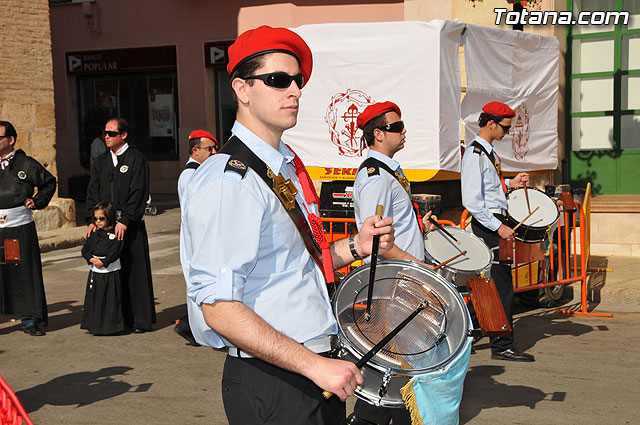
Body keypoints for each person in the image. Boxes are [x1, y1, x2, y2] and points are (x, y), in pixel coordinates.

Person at [180, 26, 395, 425]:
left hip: (309, 372)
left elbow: (295, 263)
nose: (294, 90)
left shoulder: (279, 167)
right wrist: (314, 366)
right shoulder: (231, 181)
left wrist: (357, 246)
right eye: (278, 80)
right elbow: (219, 307)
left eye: (298, 81)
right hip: (277, 379)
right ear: (242, 89)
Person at [351, 103, 439, 424]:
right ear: (378, 134)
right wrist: (417, 264)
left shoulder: (388, 171)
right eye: (397, 126)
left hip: (402, 280)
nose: (404, 131)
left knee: (400, 363)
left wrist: (419, 227)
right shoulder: (375, 176)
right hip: (392, 284)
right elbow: (375, 242)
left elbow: (392, 227)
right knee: (393, 364)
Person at [460, 101, 534, 362]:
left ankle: (482, 338)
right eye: (504, 127)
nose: (507, 131)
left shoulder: (487, 153)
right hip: (488, 225)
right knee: (498, 286)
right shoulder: (475, 155)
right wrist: (498, 226)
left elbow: (488, 187)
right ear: (490, 124)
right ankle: (502, 346)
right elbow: (472, 200)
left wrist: (509, 183)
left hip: (493, 223)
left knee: (494, 285)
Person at [85, 118, 156, 333]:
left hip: (129, 224)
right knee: (109, 271)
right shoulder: (101, 161)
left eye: (111, 133)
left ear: (123, 135)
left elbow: (139, 190)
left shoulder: (136, 158)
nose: (106, 136)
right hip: (106, 224)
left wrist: (125, 219)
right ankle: (114, 320)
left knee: (134, 270)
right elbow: (93, 190)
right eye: (104, 133)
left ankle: (139, 320)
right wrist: (94, 219)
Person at [0, 120, 56, 336]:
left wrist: (37, 200)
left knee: (19, 272)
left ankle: (29, 320)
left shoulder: (26, 164)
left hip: (15, 229)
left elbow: (49, 182)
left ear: (10, 140)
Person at [174, 129, 218, 345]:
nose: (213, 152)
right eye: (209, 148)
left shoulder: (201, 172)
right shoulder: (190, 175)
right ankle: (194, 329)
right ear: (195, 150)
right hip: (196, 233)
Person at [81, 201, 125, 335]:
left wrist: (105, 262)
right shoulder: (94, 233)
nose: (98, 221)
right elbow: (85, 249)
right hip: (95, 269)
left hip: (110, 271)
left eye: (101, 218)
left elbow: (116, 251)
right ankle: (94, 325)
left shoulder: (116, 234)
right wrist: (91, 259)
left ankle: (110, 327)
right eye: (95, 219)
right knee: (95, 299)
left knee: (110, 299)